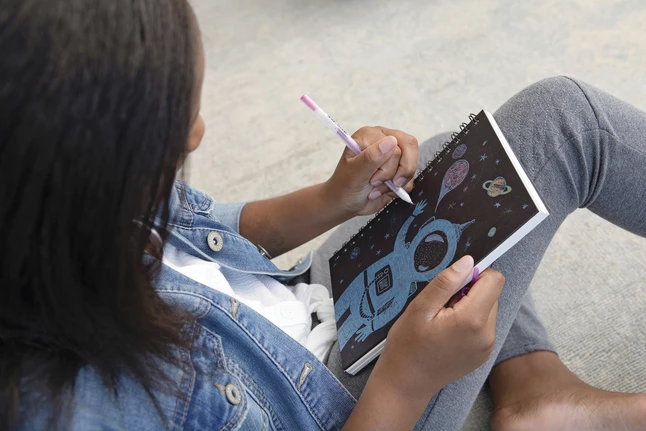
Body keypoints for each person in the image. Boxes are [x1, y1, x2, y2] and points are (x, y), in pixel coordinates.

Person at [0, 1, 644, 430]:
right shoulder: (86, 407)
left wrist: (336, 197)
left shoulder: (54, 214)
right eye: (175, 127)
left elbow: (216, 232)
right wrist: (408, 379)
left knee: (460, 172)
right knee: (566, 123)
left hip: (311, 309)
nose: (198, 134)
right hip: (355, 405)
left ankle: (532, 386)